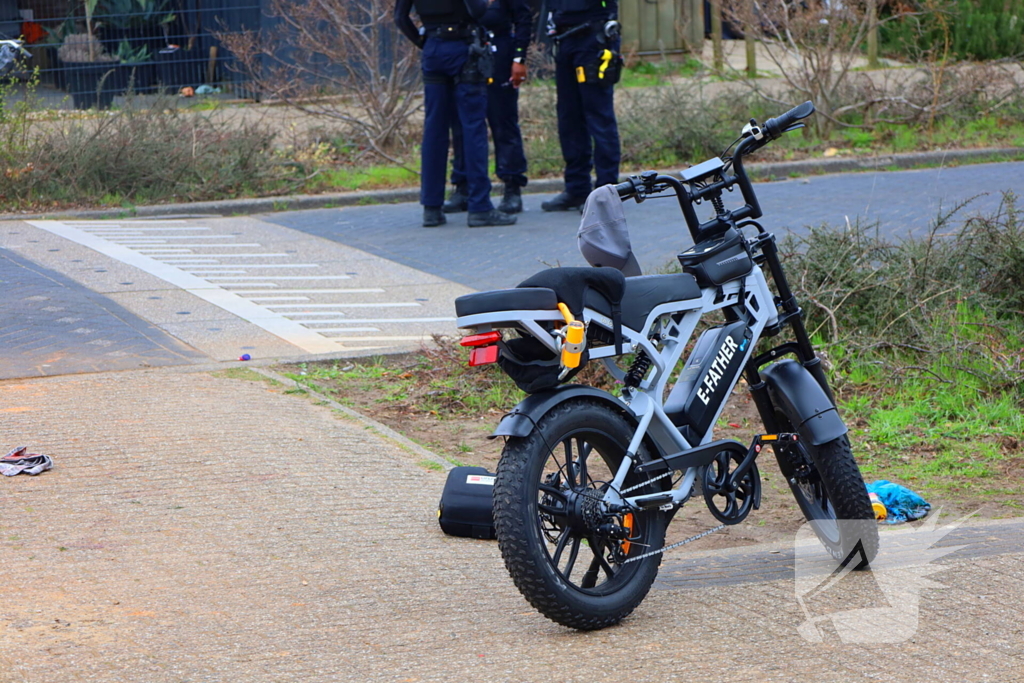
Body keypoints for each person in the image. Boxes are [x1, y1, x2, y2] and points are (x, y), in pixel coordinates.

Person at [395, 0, 518, 228]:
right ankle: (480, 207)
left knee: (434, 130)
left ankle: (431, 208)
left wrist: (423, 42)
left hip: (433, 48)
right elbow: (479, 11)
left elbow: (400, 18)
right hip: (463, 47)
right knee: (473, 128)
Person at [442, 0, 532, 216]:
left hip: (498, 52)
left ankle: (512, 186)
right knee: (462, 124)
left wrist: (519, 57)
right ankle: (463, 186)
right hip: (464, 50)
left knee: (503, 121)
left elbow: (523, 19)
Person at [541, 0, 622, 212]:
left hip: (593, 38)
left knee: (599, 117)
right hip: (565, 37)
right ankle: (577, 188)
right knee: (569, 117)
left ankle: (607, 192)